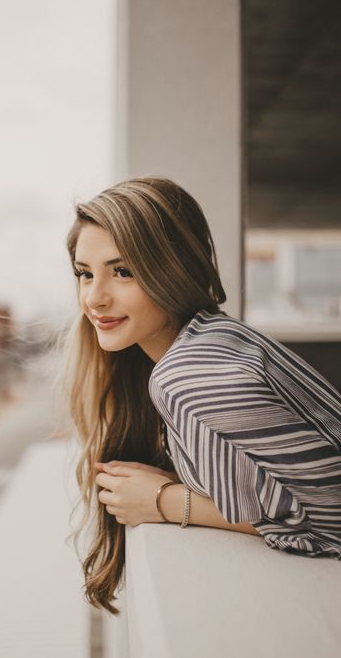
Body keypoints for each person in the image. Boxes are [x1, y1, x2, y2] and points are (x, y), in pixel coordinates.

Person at [59, 176, 341, 615]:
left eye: (123, 271)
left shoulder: (191, 373)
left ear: (173, 268)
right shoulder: (214, 337)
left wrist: (166, 501)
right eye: (84, 274)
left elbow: (330, 523)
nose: (95, 298)